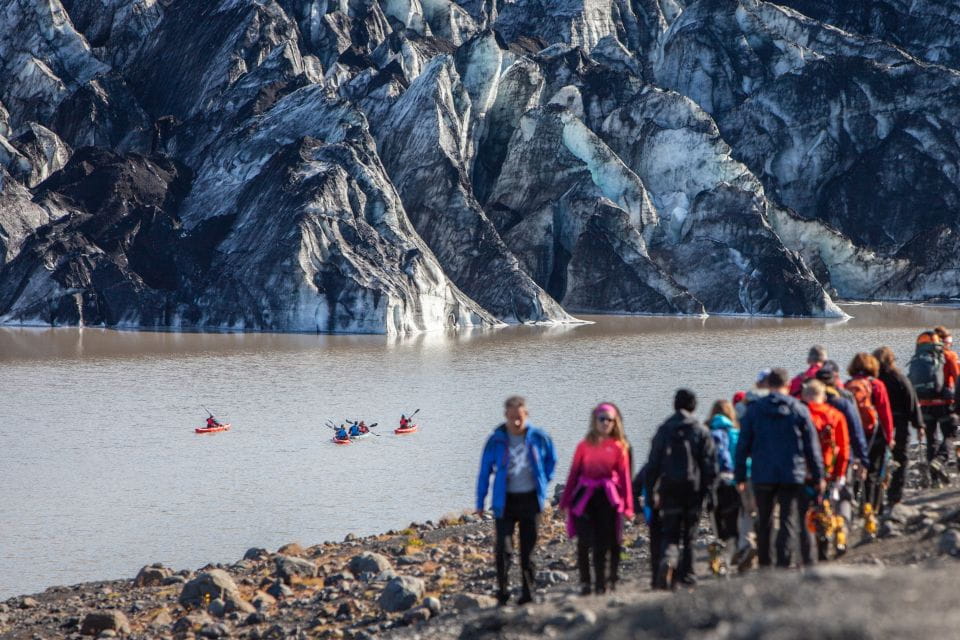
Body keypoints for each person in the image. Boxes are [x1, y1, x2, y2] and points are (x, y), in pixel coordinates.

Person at [735, 367, 824, 569]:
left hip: (762, 474)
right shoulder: (800, 409)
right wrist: (818, 475)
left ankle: (766, 564)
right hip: (792, 473)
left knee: (764, 520)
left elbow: (743, 445)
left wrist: (740, 475)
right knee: (787, 519)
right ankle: (783, 562)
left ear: (767, 385)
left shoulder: (754, 410)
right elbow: (811, 446)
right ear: (787, 385)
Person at [476, 396, 557, 605]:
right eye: (512, 418)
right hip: (505, 501)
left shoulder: (539, 437)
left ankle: (527, 594)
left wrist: (543, 481)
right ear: (506, 416)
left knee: (527, 551)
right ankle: (503, 593)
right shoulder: (496, 440)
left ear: (526, 415)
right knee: (503, 549)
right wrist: (480, 501)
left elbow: (551, 460)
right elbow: (484, 471)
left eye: (520, 417)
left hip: (531, 501)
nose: (517, 422)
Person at [559, 403, 634, 595]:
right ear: (595, 421)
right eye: (602, 419)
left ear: (614, 422)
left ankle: (601, 583)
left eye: (609, 420)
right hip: (586, 497)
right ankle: (585, 582)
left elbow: (625, 478)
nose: (605, 423)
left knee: (605, 541)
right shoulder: (584, 446)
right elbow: (573, 474)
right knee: (584, 540)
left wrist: (628, 506)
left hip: (608, 497)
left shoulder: (619, 447)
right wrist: (565, 501)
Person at [645, 389, 717, 589]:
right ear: (694, 407)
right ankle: (688, 575)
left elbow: (653, 465)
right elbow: (710, 466)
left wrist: (650, 493)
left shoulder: (664, 430)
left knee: (670, 533)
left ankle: (668, 560)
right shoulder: (700, 431)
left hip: (669, 489)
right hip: (693, 489)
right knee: (690, 535)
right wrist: (710, 493)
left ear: (675, 405)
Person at [800, 380, 850, 562]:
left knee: (804, 513)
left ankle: (809, 552)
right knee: (827, 509)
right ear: (823, 396)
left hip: (803, 473)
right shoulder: (835, 416)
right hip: (829, 472)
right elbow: (843, 448)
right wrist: (840, 474)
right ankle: (827, 543)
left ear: (804, 396)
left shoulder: (800, 415)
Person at [874, 346, 924, 505]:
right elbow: (911, 401)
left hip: (879, 425)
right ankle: (895, 495)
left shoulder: (874, 381)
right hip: (900, 423)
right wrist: (918, 424)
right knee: (901, 458)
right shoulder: (899, 378)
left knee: (878, 459)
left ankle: (876, 495)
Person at [847, 353, 894, 517]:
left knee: (852, 472)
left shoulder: (847, 385)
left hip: (853, 435)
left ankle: (851, 507)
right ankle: (871, 509)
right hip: (874, 434)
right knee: (872, 473)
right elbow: (885, 412)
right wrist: (890, 436)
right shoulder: (876, 385)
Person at [916, 328, 960, 485]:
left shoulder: (922, 357)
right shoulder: (949, 356)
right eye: (949, 342)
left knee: (931, 440)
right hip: (945, 404)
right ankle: (940, 460)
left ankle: (934, 480)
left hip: (924, 405)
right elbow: (957, 380)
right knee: (950, 434)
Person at [706, 400, 740, 574]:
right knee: (733, 522)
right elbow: (740, 458)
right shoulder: (734, 433)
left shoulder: (706, 433)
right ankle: (732, 554)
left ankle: (720, 561)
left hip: (713, 484)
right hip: (731, 482)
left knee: (716, 523)